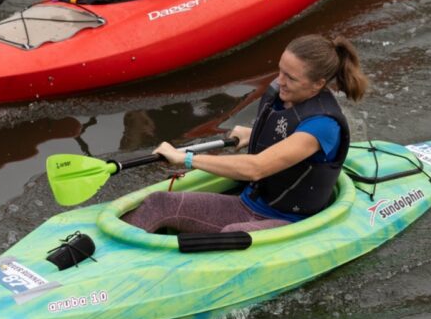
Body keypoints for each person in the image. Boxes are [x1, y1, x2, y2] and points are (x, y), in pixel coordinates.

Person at [121, 34, 368, 234]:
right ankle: (114, 261)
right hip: (248, 202)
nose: (279, 81)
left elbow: (256, 168)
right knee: (158, 203)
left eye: (290, 77)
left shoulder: (322, 126)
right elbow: (284, 134)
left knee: (233, 235)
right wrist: (256, 133)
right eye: (280, 70)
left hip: (288, 222)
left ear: (318, 83)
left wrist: (185, 158)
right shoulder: (285, 96)